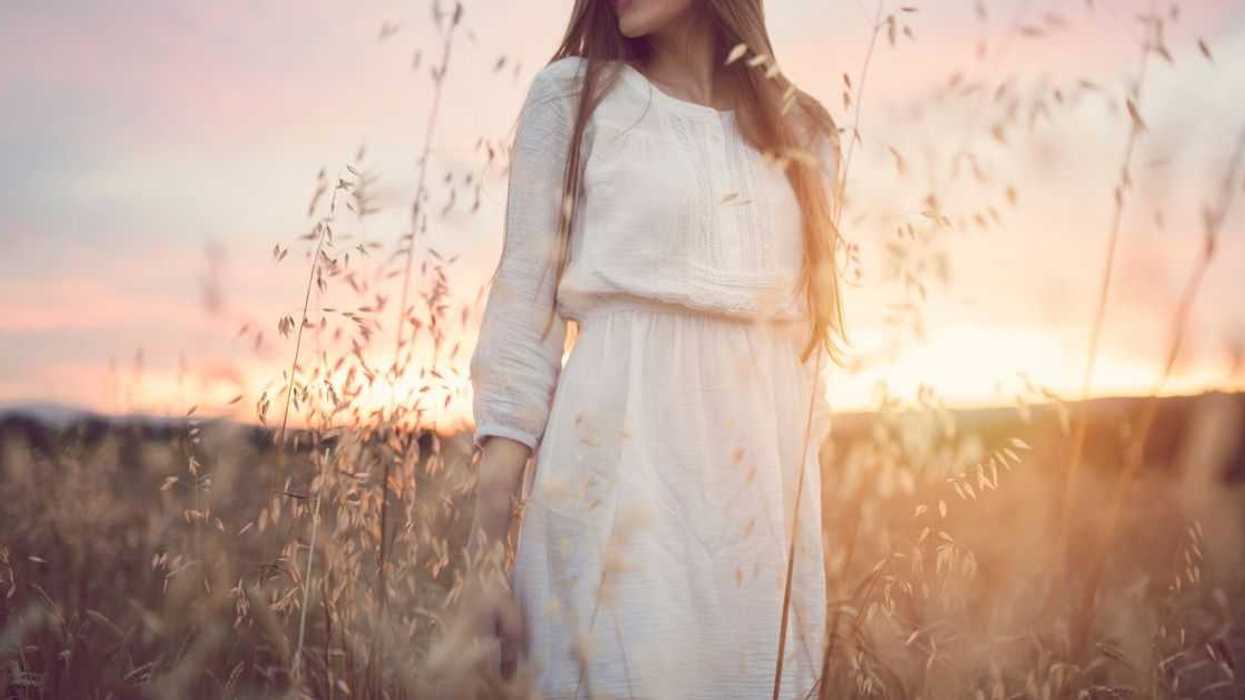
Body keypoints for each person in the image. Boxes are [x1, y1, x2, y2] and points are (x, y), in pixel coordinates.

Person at [466, 1, 849, 697]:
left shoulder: (808, 131)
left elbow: (807, 366)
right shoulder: (574, 98)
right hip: (610, 490)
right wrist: (481, 555)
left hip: (757, 522)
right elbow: (520, 334)